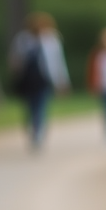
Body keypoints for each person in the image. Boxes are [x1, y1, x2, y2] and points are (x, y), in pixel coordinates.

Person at [8, 12, 71, 151]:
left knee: (41, 105)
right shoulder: (23, 39)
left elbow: (58, 61)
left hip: (44, 78)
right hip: (27, 79)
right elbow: (15, 58)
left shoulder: (52, 39)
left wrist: (62, 80)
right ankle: (32, 127)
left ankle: (38, 131)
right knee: (29, 106)